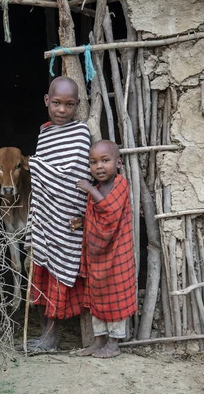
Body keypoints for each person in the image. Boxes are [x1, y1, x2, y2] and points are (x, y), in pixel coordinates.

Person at [22, 76, 92, 353]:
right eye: (57, 103)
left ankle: (53, 338)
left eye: (69, 105)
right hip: (43, 218)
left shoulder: (81, 134)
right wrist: (40, 168)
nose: (62, 110)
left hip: (66, 221)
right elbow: (45, 180)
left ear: (77, 106)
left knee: (55, 280)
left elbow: (74, 176)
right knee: (39, 278)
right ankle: (45, 337)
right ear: (46, 101)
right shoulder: (45, 133)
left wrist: (35, 165)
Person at [73, 140, 137, 358]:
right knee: (96, 296)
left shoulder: (120, 184)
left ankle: (113, 343)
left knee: (117, 295)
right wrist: (82, 221)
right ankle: (98, 341)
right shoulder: (99, 188)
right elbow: (97, 218)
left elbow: (110, 213)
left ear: (118, 163)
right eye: (93, 162)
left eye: (105, 160)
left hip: (117, 254)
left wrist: (90, 189)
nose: (99, 166)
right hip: (97, 255)